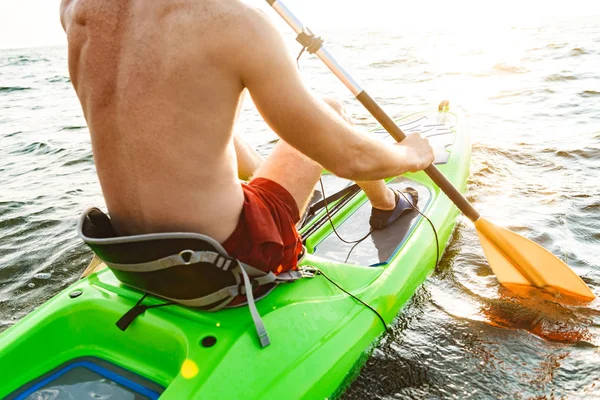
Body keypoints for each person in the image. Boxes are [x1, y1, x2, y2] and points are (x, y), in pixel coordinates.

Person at [59, 0, 435, 275]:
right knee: (332, 109)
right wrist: (412, 154)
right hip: (224, 259)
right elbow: (351, 158)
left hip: (128, 254)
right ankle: (388, 205)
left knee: (193, 111)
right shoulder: (235, 23)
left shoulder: (77, 11)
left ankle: (265, 178)